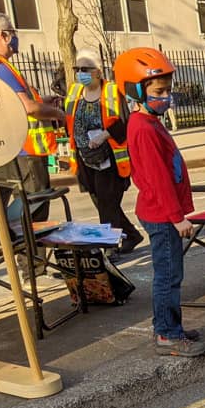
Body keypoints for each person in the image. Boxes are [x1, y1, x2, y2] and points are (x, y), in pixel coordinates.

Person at [114, 47, 205, 358]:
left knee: (172, 274)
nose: (166, 96)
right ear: (136, 91)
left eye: (167, 90)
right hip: (161, 215)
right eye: (159, 91)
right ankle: (167, 334)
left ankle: (172, 327)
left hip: (162, 213)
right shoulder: (142, 128)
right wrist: (176, 216)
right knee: (168, 276)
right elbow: (158, 179)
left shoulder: (150, 122)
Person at [0, 12, 63, 208]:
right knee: (35, 212)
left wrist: (44, 100)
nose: (15, 37)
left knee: (27, 211)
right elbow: (28, 108)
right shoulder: (0, 67)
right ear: (3, 35)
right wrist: (58, 114)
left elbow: (14, 103)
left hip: (13, 150)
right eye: (12, 32)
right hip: (26, 152)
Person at [62, 48, 143, 255]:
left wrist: (104, 135)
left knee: (107, 202)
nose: (80, 72)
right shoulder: (75, 92)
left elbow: (126, 121)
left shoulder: (112, 92)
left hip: (110, 159)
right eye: (77, 68)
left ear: (98, 71)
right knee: (101, 202)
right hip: (84, 159)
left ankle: (108, 249)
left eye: (85, 69)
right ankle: (132, 235)